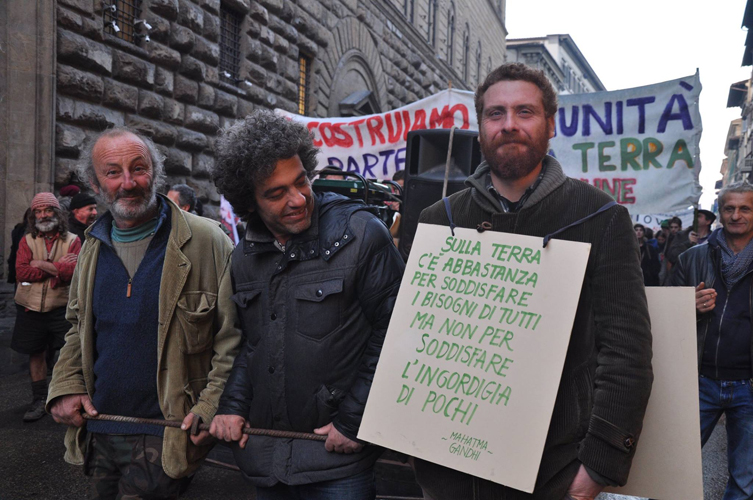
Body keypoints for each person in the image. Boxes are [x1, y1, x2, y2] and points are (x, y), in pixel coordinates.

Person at [413, 63, 653, 499]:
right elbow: (412, 337)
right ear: (480, 126)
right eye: (495, 114)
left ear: (549, 124)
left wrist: (598, 466)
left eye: (525, 112)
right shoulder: (439, 220)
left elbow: (626, 352)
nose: (509, 125)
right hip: (448, 470)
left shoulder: (600, 217)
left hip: (552, 471)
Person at [209, 110, 405, 499]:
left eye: (301, 182)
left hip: (339, 461)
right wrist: (231, 406)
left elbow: (397, 334)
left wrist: (353, 421)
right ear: (249, 202)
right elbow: (252, 344)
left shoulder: (362, 233)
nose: (298, 199)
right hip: (263, 459)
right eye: (276, 193)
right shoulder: (244, 256)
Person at [47, 128, 242, 498]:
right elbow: (77, 329)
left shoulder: (208, 241)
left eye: (139, 168)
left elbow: (232, 337)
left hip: (168, 430)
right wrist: (65, 387)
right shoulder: (91, 246)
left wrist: (211, 405)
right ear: (94, 181)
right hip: (99, 424)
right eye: (113, 172)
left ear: (156, 172)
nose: (128, 182)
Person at [671, 181, 753, 499]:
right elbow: (659, 314)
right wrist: (686, 305)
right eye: (729, 208)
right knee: (671, 465)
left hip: (748, 385)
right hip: (699, 381)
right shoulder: (692, 259)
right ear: (720, 213)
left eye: (745, 208)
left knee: (745, 481)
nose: (736, 215)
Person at [12, 193, 81, 422]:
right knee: (37, 353)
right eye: (38, 211)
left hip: (62, 307)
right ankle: (39, 400)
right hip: (30, 307)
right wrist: (57, 268)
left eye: (48, 210)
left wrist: (40, 264)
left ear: (57, 213)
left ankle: (66, 397)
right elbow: (22, 272)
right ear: (33, 215)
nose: (43, 215)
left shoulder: (72, 240)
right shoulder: (27, 240)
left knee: (72, 352)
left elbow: (73, 272)